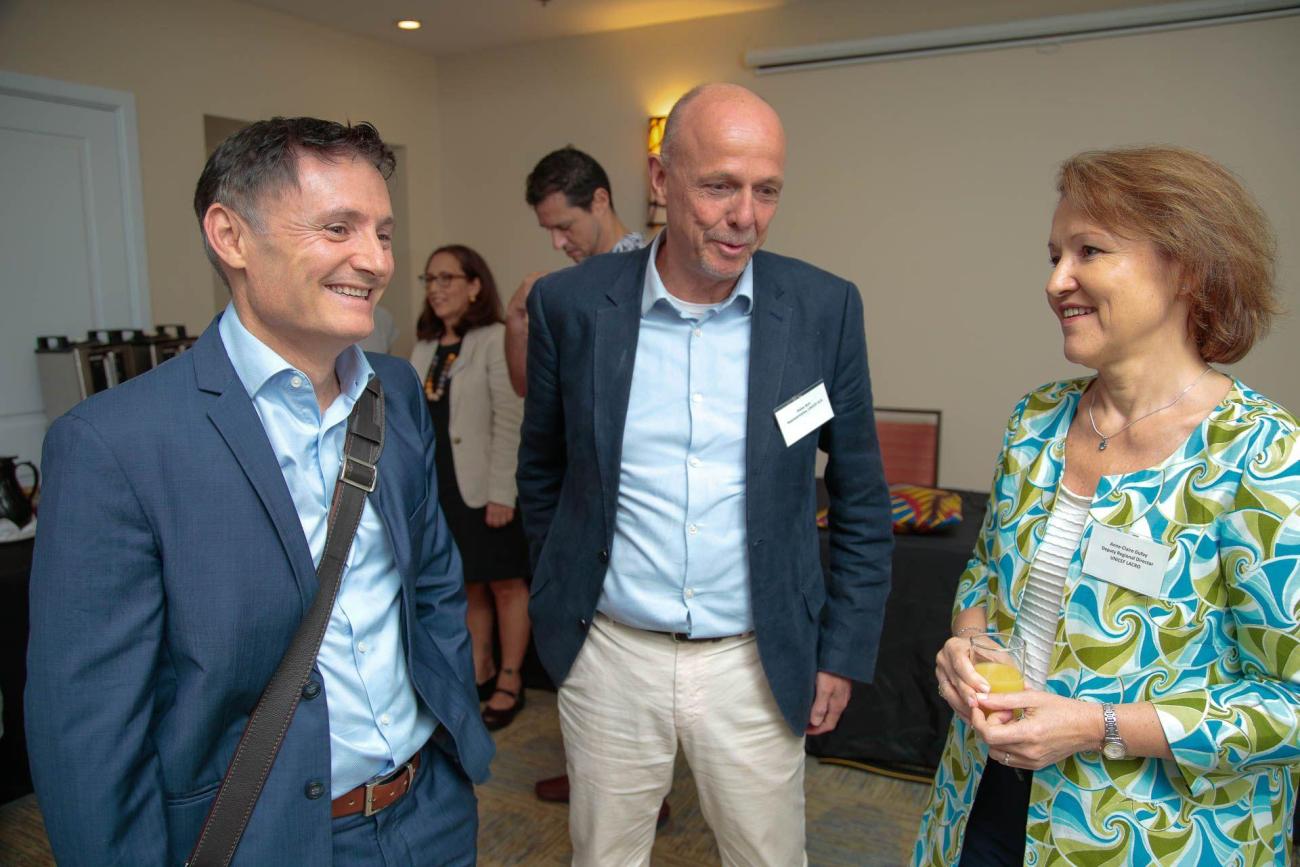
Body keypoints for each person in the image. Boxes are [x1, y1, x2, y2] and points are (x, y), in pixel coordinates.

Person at [25, 117, 493, 866]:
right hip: (262, 841)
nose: (374, 260)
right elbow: (89, 727)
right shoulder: (115, 442)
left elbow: (432, 581)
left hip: (429, 811)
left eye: (382, 231)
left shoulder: (396, 392)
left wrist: (451, 734)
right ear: (230, 236)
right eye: (339, 227)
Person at [517, 83, 894, 865]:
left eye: (766, 190)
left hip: (756, 659)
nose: (745, 216)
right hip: (612, 655)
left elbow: (861, 496)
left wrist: (841, 649)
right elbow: (544, 472)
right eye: (720, 185)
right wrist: (561, 613)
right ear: (660, 181)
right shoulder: (572, 306)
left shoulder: (824, 308)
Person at [914, 146, 1300, 866]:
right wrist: (967, 645)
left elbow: (1292, 701)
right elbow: (984, 576)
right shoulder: (1035, 421)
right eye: (1055, 253)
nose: (1057, 280)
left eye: (1089, 250)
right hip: (984, 799)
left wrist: (1097, 725)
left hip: (1158, 835)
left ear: (1187, 266)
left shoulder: (1266, 457)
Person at [410, 244, 529, 731]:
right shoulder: (423, 347)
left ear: (475, 285)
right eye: (430, 280)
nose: (436, 289)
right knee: (466, 584)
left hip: (487, 487)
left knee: (504, 584)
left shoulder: (495, 338)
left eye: (447, 279)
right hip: (442, 489)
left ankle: (510, 678)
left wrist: (504, 490)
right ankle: (477, 669)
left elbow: (511, 418)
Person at [504, 146, 645, 397]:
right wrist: (515, 315)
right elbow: (526, 387)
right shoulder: (570, 288)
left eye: (565, 227)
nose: (556, 243)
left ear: (600, 201)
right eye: (549, 230)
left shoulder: (647, 275)